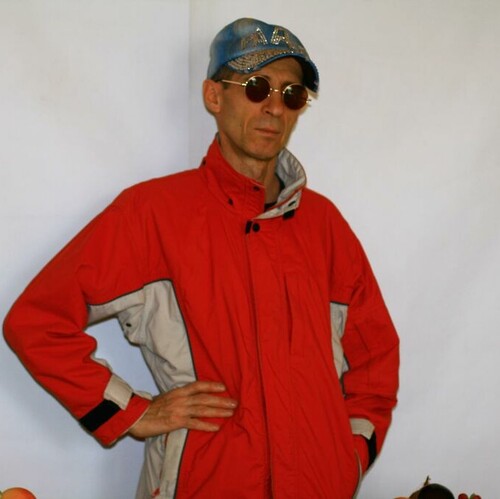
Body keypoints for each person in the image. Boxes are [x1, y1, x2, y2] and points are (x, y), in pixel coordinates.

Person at [3, 18, 399, 499]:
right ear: (214, 96)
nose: (275, 106)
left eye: (292, 94)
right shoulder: (152, 214)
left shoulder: (324, 225)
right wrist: (134, 412)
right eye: (257, 87)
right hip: (204, 483)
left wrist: (349, 454)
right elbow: (36, 323)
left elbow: (376, 358)